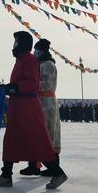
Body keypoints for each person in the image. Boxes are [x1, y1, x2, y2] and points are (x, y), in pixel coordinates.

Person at [0, 31, 68, 189]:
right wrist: (5, 89)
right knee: (11, 141)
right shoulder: (21, 60)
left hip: (28, 108)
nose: (14, 46)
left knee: (37, 141)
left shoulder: (30, 60)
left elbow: (31, 83)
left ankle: (57, 173)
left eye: (16, 43)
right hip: (18, 107)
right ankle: (6, 175)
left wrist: (11, 88)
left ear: (23, 44)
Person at [20, 38, 61, 177]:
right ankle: (33, 165)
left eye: (37, 50)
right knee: (36, 133)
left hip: (46, 103)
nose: (35, 52)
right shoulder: (40, 64)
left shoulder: (48, 65)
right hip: (39, 101)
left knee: (47, 134)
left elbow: (46, 84)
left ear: (42, 51)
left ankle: (53, 166)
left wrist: (29, 85)